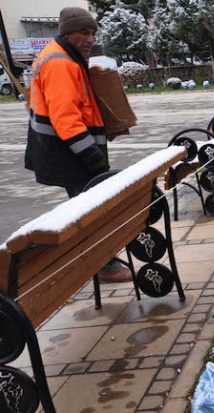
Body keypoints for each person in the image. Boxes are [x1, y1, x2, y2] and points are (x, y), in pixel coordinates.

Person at [25, 7, 132, 283]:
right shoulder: (60, 63)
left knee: (89, 209)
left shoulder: (65, 57)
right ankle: (104, 266)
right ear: (67, 33)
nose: (90, 39)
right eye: (84, 32)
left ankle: (101, 261)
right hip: (69, 154)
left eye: (93, 33)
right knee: (92, 212)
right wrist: (92, 157)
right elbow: (66, 119)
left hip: (65, 151)